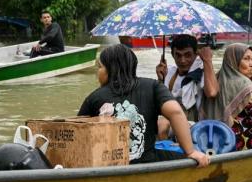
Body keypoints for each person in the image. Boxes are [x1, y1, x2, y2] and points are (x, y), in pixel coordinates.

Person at [78, 44, 209, 167]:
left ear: (111, 69)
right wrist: (190, 152)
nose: (98, 73)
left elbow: (76, 131)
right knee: (185, 159)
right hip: (147, 160)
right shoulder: (153, 86)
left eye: (100, 67)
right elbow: (175, 112)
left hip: (107, 165)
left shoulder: (94, 97)